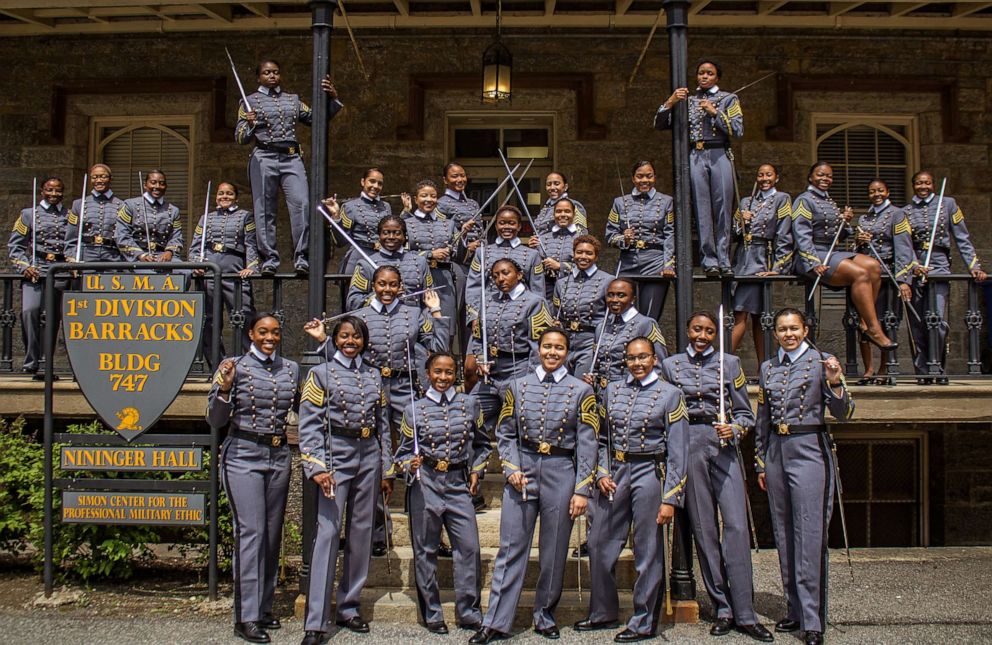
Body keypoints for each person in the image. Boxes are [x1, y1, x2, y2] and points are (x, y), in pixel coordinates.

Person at [307, 265, 448, 554]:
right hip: (367, 390)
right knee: (374, 463)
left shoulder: (413, 314)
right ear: (373, 284)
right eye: (382, 284)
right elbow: (345, 358)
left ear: (401, 287)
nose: (387, 289)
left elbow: (438, 346)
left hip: (404, 387)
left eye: (393, 284)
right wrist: (323, 339)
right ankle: (377, 534)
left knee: (418, 454)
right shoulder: (358, 317)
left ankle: (429, 529)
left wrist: (435, 313)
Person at [470, 328, 598, 643]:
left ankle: (544, 615)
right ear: (538, 349)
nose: (552, 353)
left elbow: (588, 442)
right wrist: (510, 467)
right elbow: (506, 431)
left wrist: (582, 488)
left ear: (567, 352)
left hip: (560, 471)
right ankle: (496, 621)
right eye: (547, 347)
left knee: (554, 550)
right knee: (511, 547)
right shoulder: (517, 386)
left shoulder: (581, 390)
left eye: (559, 348)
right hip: (523, 470)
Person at [659, 313, 773, 642]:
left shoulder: (731, 364)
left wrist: (734, 429)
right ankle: (722, 607)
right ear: (687, 330)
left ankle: (746, 612)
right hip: (688, 443)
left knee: (736, 525)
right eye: (697, 329)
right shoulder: (671, 365)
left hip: (722, 444)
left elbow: (745, 414)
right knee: (704, 529)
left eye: (709, 331)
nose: (703, 335)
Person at [576, 337, 688, 643]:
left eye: (643, 357)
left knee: (647, 548)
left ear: (654, 359)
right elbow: (601, 438)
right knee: (599, 542)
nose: (637, 363)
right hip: (615, 471)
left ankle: (643, 620)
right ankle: (603, 611)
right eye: (631, 358)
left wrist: (670, 498)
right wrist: (600, 471)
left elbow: (678, 450)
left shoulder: (671, 395)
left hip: (649, 471)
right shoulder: (612, 390)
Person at [754, 308, 854, 645]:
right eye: (783, 329)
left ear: (805, 329)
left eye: (794, 328)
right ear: (776, 333)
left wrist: (836, 381)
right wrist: (760, 462)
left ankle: (813, 620)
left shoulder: (821, 362)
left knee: (809, 534)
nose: (789, 334)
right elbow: (763, 418)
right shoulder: (768, 367)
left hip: (808, 447)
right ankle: (794, 609)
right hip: (776, 452)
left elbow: (844, 413)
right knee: (784, 533)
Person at [297, 315, 391, 645]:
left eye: (357, 337)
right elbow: (308, 425)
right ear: (335, 339)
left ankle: (349, 606)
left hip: (368, 454)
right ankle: (316, 620)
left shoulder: (373, 375)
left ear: (365, 341)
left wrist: (387, 468)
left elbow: (384, 425)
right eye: (345, 336)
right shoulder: (320, 374)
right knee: (328, 532)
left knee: (362, 532)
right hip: (335, 455)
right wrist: (317, 466)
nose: (351, 342)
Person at [206, 313, 299, 644]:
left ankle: (263, 607)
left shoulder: (291, 369)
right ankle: (244, 617)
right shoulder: (233, 365)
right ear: (251, 334)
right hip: (243, 454)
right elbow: (215, 420)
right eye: (263, 332)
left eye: (275, 332)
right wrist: (225, 389)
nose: (269, 337)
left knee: (272, 535)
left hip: (279, 454)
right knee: (252, 532)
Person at [395, 351, 490, 634]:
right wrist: (407, 465)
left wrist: (477, 470)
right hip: (426, 484)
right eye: (437, 372)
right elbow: (400, 453)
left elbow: (483, 444)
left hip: (458, 483)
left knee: (469, 547)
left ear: (456, 375)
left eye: (449, 372)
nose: (443, 377)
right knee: (426, 550)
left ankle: (469, 611)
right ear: (428, 374)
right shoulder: (413, 409)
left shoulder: (470, 404)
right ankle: (432, 613)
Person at [236, 58, 341, 275]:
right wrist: (249, 123)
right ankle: (269, 259)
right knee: (264, 209)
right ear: (259, 77)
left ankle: (302, 256)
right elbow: (240, 138)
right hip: (264, 156)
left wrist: (333, 99)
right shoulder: (248, 102)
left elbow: (316, 119)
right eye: (267, 73)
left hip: (291, 158)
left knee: (301, 204)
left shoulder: (293, 100)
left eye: (275, 72)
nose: (272, 76)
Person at [793, 162, 896, 351]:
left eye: (829, 176)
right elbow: (801, 235)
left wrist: (845, 222)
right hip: (813, 254)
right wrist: (813, 262)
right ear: (810, 177)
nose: (825, 179)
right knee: (860, 274)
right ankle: (873, 328)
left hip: (831, 251)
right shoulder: (804, 200)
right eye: (821, 175)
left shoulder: (829, 202)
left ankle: (864, 321)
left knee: (873, 266)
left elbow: (837, 236)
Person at [655, 58, 743, 275]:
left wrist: (715, 112)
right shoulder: (688, 100)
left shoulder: (728, 99)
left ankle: (724, 259)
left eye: (709, 73)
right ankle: (709, 259)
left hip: (719, 153)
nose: (704, 77)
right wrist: (671, 101)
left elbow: (738, 129)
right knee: (701, 208)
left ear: (717, 77)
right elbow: (659, 123)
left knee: (723, 207)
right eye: (701, 73)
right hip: (696, 153)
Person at [906, 170, 986, 384]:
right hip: (915, 267)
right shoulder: (906, 211)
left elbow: (962, 238)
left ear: (932, 184)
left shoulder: (948, 204)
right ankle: (922, 370)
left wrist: (974, 266)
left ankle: (937, 366)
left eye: (927, 183)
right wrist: (913, 264)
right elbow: (903, 244)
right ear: (913, 185)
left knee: (937, 319)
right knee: (917, 322)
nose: (923, 187)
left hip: (939, 264)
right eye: (919, 183)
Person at [467, 258, 552, 435]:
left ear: (519, 275)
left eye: (506, 273)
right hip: (490, 375)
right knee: (469, 414)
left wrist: (531, 380)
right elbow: (478, 338)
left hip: (518, 370)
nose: (500, 279)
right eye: (495, 275)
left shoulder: (535, 302)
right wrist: (481, 360)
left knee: (517, 426)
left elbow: (539, 347)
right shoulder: (488, 300)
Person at [188, 182, 259, 368]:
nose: (224, 197)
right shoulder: (206, 218)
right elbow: (195, 246)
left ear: (236, 197)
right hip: (211, 274)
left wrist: (251, 266)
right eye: (221, 194)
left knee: (244, 316)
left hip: (234, 273)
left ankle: (249, 363)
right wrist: (197, 263)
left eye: (229, 193)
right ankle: (216, 364)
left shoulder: (245, 217)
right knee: (210, 320)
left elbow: (251, 244)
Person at [732, 163, 794, 366]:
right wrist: (741, 222)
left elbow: (784, 234)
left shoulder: (782, 199)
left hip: (761, 258)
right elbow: (732, 235)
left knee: (747, 313)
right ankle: (761, 367)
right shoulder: (746, 201)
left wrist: (777, 268)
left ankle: (720, 364)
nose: (764, 178)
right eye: (761, 175)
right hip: (742, 257)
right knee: (750, 314)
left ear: (776, 178)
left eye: (769, 175)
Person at [854, 179, 915, 385]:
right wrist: (859, 241)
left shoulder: (898, 215)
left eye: (880, 190)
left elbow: (904, 248)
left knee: (886, 321)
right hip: (865, 276)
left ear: (887, 192)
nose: (876, 194)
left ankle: (883, 369)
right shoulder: (864, 217)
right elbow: (858, 251)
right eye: (872, 191)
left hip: (887, 273)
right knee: (863, 323)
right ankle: (868, 369)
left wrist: (903, 279)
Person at [7, 176, 68, 378]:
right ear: (42, 191)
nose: (54, 194)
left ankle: (47, 361)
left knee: (53, 318)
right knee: (29, 311)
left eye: (58, 190)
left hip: (57, 270)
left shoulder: (70, 216)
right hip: (35, 269)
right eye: (50, 190)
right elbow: (15, 247)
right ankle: (31, 359)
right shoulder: (27, 215)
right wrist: (25, 266)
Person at [604, 161, 674, 321]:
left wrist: (668, 265)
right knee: (623, 312)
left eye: (649, 176)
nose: (644, 180)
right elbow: (610, 236)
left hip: (654, 262)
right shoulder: (619, 202)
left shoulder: (666, 202)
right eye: (640, 176)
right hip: (628, 262)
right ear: (633, 179)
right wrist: (624, 239)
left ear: (654, 178)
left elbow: (670, 235)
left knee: (650, 315)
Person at [402, 179, 471, 323]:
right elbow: (402, 254)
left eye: (433, 196)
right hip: (417, 279)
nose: (429, 200)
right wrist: (429, 254)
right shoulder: (406, 224)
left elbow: (459, 256)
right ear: (416, 199)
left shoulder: (448, 224)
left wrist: (463, 235)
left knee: (446, 324)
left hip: (444, 278)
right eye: (424, 196)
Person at [585, 278, 668, 393]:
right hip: (602, 394)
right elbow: (597, 364)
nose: (614, 300)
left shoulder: (646, 324)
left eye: (621, 295)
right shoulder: (601, 326)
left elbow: (658, 365)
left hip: (630, 392)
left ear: (633, 299)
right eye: (610, 295)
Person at [465, 205, 545, 323]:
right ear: (496, 225)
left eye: (511, 223)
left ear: (519, 226)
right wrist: (474, 316)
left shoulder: (532, 254)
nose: (506, 227)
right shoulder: (482, 252)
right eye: (502, 223)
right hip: (488, 312)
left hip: (521, 313)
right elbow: (473, 287)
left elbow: (537, 290)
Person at [552, 235, 612, 377]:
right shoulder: (562, 283)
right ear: (573, 254)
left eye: (589, 253)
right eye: (579, 252)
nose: (583, 256)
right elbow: (557, 313)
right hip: (565, 342)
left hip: (590, 342)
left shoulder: (608, 281)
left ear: (596, 257)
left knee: (582, 386)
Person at [345, 214, 432, 311]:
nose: (391, 237)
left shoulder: (420, 262)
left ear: (405, 236)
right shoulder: (366, 264)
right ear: (379, 236)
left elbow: (430, 300)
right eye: (386, 233)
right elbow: (353, 303)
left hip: (413, 322)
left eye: (397, 233)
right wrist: (381, 295)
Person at [324, 168, 392, 279]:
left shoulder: (386, 207)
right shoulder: (350, 206)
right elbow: (340, 241)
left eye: (380, 183)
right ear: (362, 182)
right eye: (372, 181)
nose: (375, 186)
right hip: (358, 258)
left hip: (382, 258)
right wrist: (336, 216)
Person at [114, 169, 184, 264]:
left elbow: (176, 237)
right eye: (153, 183)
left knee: (185, 272)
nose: (157, 186)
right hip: (136, 258)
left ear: (166, 186)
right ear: (145, 185)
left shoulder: (173, 210)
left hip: (163, 258)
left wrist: (169, 252)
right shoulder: (130, 205)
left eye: (161, 183)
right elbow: (122, 236)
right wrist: (141, 255)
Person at [65, 163, 125, 262]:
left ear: (111, 179)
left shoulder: (122, 205)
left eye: (103, 177)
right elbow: (71, 236)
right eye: (95, 177)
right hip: (86, 254)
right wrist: (71, 256)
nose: (99, 180)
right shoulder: (79, 204)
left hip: (112, 256)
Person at [532, 197, 580, 300]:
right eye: (558, 211)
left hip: (573, 289)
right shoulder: (542, 239)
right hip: (547, 292)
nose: (562, 215)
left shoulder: (581, 239)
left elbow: (587, 267)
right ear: (553, 215)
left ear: (574, 214)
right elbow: (534, 268)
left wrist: (560, 266)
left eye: (567, 211)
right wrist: (531, 251)